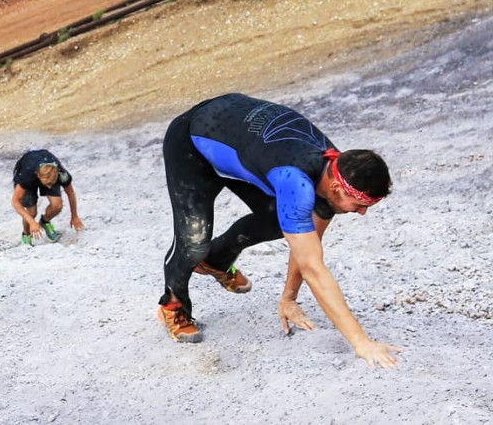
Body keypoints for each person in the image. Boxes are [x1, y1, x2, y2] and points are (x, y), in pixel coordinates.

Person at [155, 93, 399, 369]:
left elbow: (309, 244)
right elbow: (313, 268)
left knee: (279, 221)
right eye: (360, 204)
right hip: (191, 141)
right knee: (193, 242)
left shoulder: (335, 169)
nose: (362, 212)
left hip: (233, 133)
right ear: (337, 189)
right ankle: (172, 306)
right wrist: (361, 343)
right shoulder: (297, 182)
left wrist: (289, 300)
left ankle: (215, 261)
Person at [11, 149, 83, 246]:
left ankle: (45, 221)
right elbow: (15, 202)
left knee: (57, 205)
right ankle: (26, 235)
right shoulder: (27, 176)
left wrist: (74, 216)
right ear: (38, 176)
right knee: (31, 212)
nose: (49, 187)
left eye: (51, 184)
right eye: (47, 184)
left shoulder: (61, 175)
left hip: (48, 172)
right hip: (27, 168)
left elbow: (70, 193)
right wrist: (32, 222)